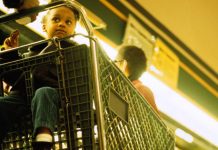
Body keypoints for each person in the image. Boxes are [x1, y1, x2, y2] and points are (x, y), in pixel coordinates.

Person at [0, 5, 80, 150]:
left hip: (55, 95)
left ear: (74, 32)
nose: (61, 23)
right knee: (4, 103)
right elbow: (16, 78)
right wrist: (10, 54)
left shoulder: (75, 53)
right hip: (23, 95)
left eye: (68, 22)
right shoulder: (33, 52)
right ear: (44, 26)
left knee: (44, 93)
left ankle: (43, 139)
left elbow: (80, 83)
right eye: (56, 19)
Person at [115, 45, 159, 114]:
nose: (114, 64)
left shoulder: (141, 90)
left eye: (116, 61)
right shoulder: (123, 89)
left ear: (125, 64)